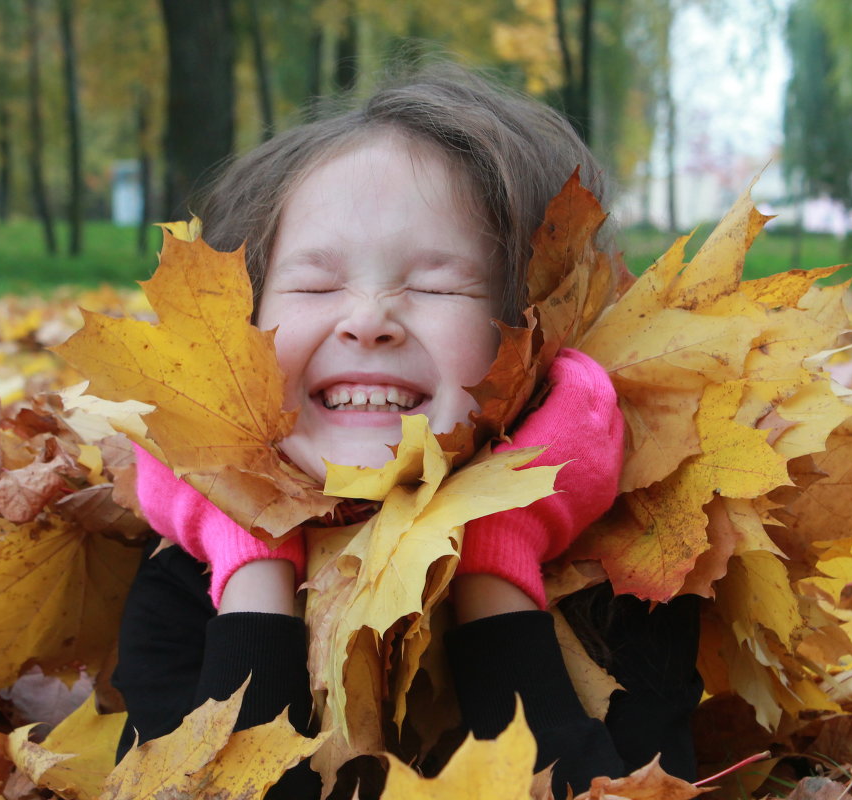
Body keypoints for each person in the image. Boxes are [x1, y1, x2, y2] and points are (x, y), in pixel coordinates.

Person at [111, 65, 702, 799]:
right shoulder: (184, 574)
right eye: (317, 284)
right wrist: (252, 553)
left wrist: (501, 543)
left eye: (436, 286)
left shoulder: (635, 570)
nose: (367, 319)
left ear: (537, 332)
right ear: (242, 330)